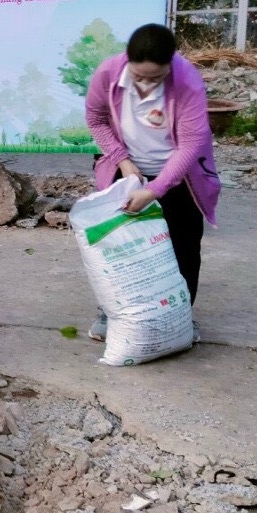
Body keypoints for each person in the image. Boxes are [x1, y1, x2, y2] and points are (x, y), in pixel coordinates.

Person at [84, 22, 221, 342]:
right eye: (138, 77)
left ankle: (181, 315)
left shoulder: (187, 81)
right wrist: (123, 161)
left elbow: (191, 144)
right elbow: (96, 119)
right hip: (127, 171)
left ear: (170, 65)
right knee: (120, 246)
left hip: (178, 174)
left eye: (155, 78)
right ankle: (113, 312)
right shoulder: (108, 74)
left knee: (183, 247)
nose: (145, 85)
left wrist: (154, 189)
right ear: (127, 61)